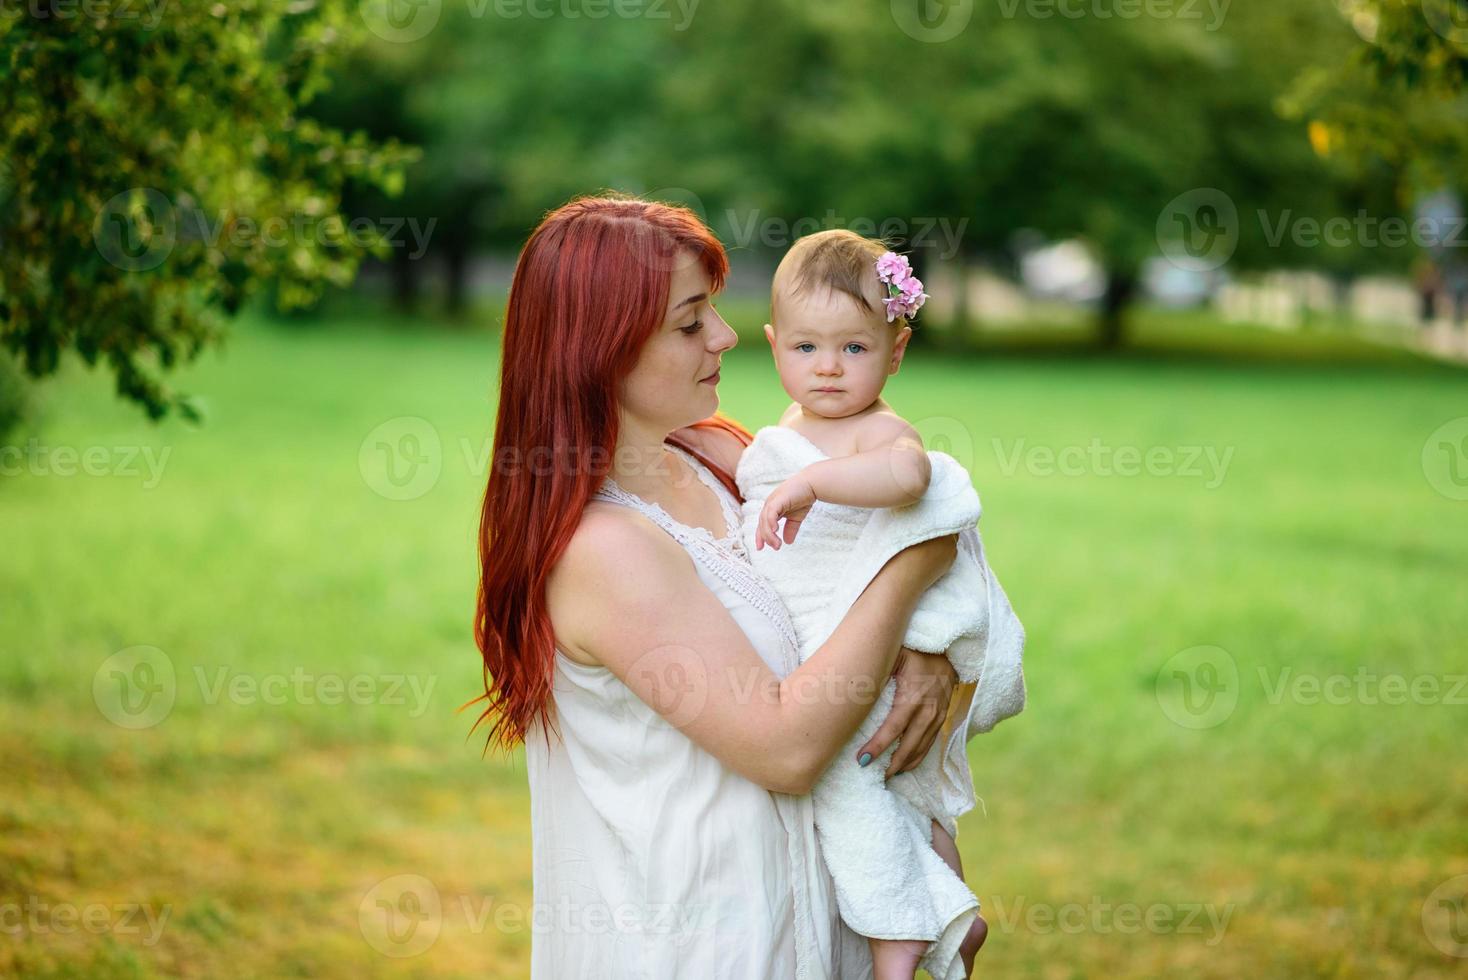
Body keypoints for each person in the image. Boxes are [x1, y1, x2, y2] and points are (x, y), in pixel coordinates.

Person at [471, 194, 965, 979]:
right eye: (690, 320)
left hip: (815, 921)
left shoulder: (721, 456)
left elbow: (839, 583)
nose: (727, 337)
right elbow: (786, 744)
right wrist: (914, 564)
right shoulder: (604, 549)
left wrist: (927, 654)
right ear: (602, 349)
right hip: (700, 946)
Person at [737, 231, 1027, 980]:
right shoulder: (783, 433)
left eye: (854, 349)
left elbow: (907, 479)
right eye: (805, 347)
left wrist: (813, 486)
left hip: (862, 646)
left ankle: (900, 940)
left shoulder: (878, 431)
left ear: (894, 353)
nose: (827, 367)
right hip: (820, 639)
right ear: (774, 345)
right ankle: (952, 915)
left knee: (861, 790)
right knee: (893, 798)